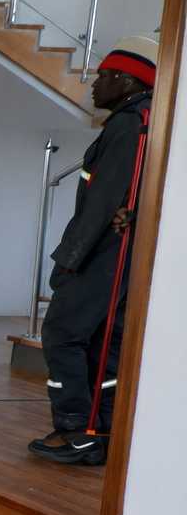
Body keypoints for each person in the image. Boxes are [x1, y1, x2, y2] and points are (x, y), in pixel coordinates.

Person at [29, 36, 158, 466]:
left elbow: (104, 201)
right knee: (105, 345)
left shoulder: (127, 124)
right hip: (123, 254)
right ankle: (99, 432)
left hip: (102, 255)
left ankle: (73, 430)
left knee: (62, 335)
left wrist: (69, 259)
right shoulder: (145, 119)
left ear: (128, 80)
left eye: (104, 77)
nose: (94, 85)